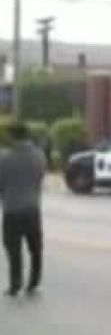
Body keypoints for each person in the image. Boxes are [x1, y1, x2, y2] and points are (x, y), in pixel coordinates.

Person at [0, 122, 46, 297]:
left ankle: (15, 284)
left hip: (12, 210)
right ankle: (34, 281)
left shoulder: (4, 159)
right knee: (35, 248)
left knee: (13, 249)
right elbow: (40, 178)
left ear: (12, 136)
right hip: (32, 209)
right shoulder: (39, 156)